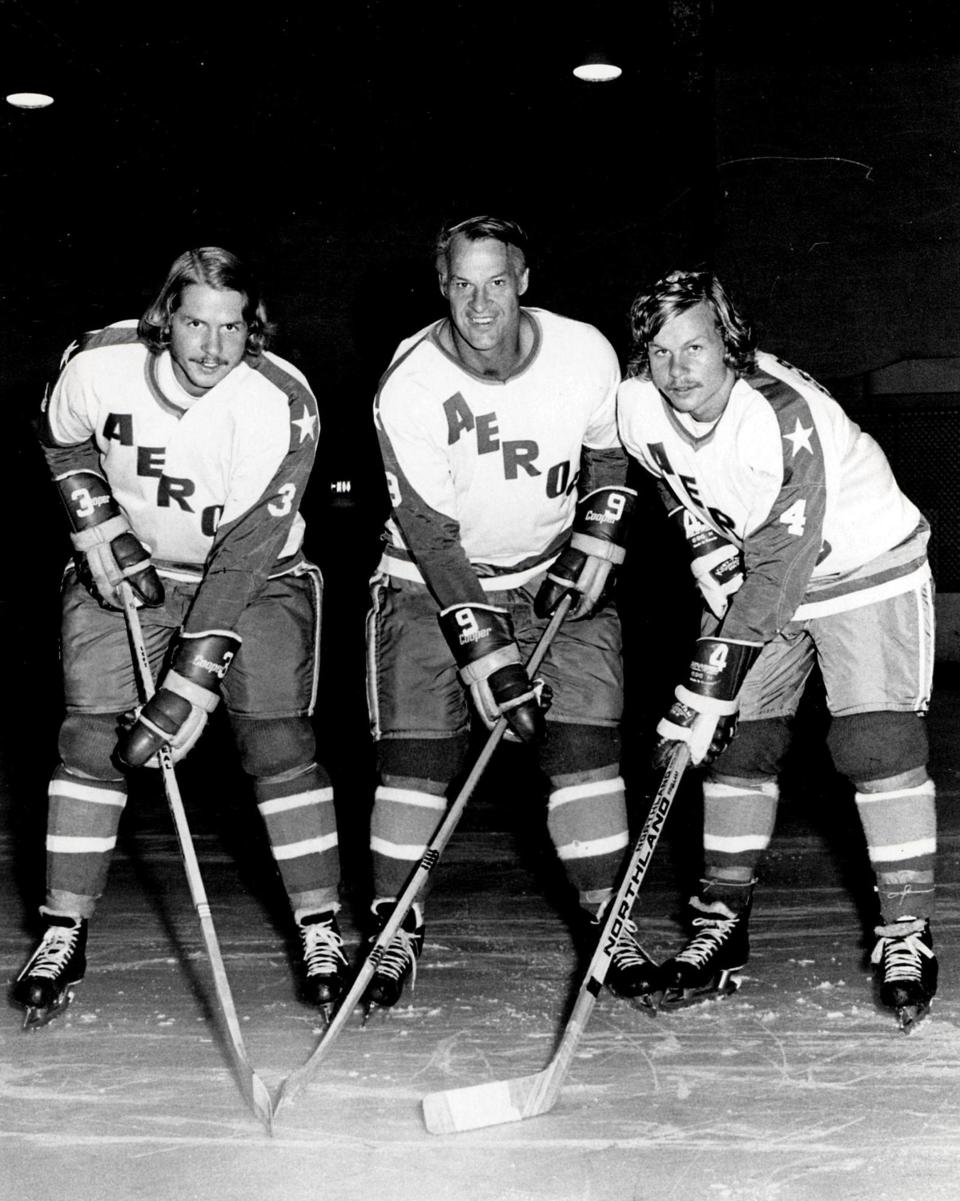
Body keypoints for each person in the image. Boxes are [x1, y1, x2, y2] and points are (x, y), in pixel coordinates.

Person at [13, 247, 346, 1027]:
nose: (211, 347)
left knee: (275, 741)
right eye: (195, 323)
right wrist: (94, 522)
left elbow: (243, 556)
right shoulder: (98, 364)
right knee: (90, 735)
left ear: (252, 331)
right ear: (165, 318)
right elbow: (56, 436)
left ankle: (319, 926)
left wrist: (189, 683)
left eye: (232, 328)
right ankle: (63, 930)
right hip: (136, 569)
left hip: (256, 578)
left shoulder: (280, 400)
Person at [617, 269, 938, 1030]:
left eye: (695, 346)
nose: (677, 369)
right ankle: (720, 924)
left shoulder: (775, 413)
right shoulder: (637, 403)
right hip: (762, 567)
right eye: (659, 350)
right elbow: (664, 470)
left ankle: (906, 931)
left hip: (863, 565)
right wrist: (697, 534)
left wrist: (705, 685)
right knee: (735, 746)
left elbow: (785, 564)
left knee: (875, 740)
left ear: (729, 344)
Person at [363, 214, 651, 1010]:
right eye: (463, 283)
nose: (480, 301)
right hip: (429, 582)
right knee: (417, 762)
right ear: (442, 285)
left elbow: (610, 446)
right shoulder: (411, 382)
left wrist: (599, 533)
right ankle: (394, 928)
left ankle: (608, 920)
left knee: (585, 747)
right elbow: (429, 530)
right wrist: (484, 645)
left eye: (496, 282)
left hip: (551, 572)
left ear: (523, 280)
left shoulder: (584, 351)